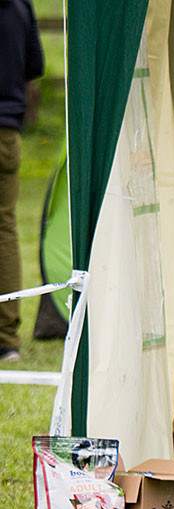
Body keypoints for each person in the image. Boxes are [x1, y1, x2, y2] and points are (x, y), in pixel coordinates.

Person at [0, 0, 44, 363]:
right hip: (7, 132)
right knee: (5, 229)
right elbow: (36, 65)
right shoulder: (21, 5)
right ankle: (7, 339)